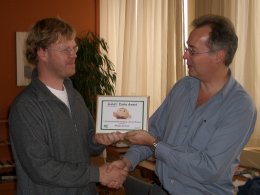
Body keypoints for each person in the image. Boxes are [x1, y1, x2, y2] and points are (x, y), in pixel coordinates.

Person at [111, 14, 257, 195]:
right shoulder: (183, 87)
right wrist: (128, 161)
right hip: (160, 189)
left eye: (193, 51)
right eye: (187, 48)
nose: (184, 55)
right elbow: (153, 129)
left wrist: (156, 145)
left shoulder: (240, 107)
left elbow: (208, 169)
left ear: (219, 56)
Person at [9, 17, 127, 195]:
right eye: (66, 50)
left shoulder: (75, 96)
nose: (74, 55)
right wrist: (98, 174)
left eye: (74, 48)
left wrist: (98, 139)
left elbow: (88, 144)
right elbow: (41, 168)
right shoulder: (26, 106)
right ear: (42, 53)